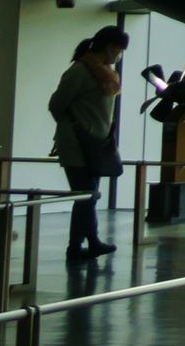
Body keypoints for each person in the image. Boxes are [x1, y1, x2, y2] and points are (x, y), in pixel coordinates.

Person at [49, 25, 129, 262]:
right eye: (119, 49)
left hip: (96, 143)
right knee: (87, 195)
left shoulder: (106, 74)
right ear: (109, 47)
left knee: (86, 196)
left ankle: (77, 246)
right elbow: (56, 104)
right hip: (76, 143)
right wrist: (74, 127)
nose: (119, 55)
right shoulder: (80, 71)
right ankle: (89, 242)